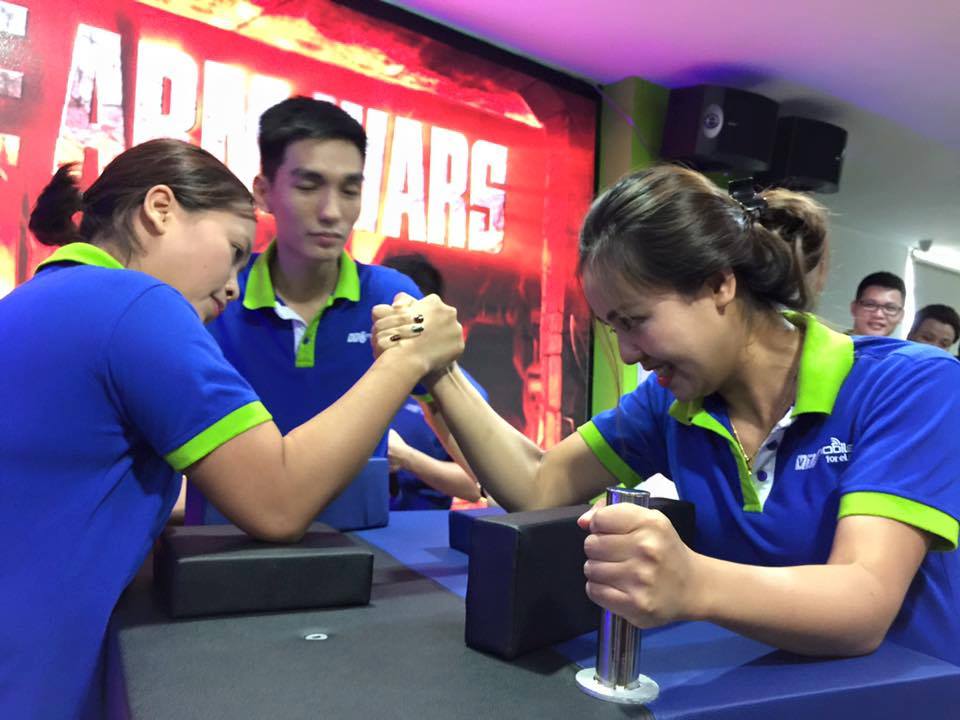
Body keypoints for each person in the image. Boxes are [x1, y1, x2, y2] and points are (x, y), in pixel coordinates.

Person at [374, 165, 960, 664]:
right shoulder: (671, 403)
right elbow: (538, 485)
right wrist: (437, 370)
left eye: (636, 320)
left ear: (720, 285)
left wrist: (692, 581)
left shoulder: (911, 384)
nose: (629, 352)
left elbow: (863, 603)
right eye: (615, 329)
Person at [0, 139, 460, 718]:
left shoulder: (32, 301)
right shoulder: (138, 304)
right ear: (160, 209)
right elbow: (278, 500)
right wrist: (406, 359)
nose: (233, 287)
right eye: (235, 251)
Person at [203, 97, 425, 529]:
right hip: (225, 539)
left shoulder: (392, 296)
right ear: (264, 192)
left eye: (350, 190)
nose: (331, 212)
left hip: (363, 541)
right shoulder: (218, 296)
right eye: (308, 186)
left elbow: (452, 416)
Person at [380, 253, 483, 510]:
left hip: (423, 526)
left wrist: (407, 458)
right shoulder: (358, 377)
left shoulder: (460, 390)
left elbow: (476, 485)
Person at [849, 271, 905, 336]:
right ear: (854, 308)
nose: (878, 314)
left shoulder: (904, 343)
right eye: (870, 305)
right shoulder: (838, 342)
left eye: (890, 308)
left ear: (901, 316)